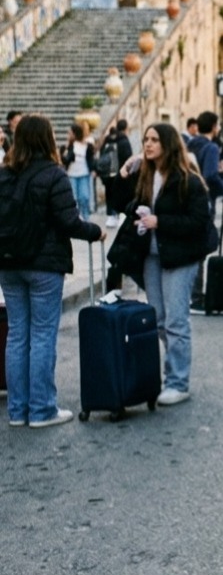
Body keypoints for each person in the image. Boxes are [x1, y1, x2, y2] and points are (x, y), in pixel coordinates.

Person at [0, 114, 105, 428]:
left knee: (17, 335)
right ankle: (42, 409)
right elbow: (68, 221)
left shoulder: (3, 175)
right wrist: (95, 232)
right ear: (47, 139)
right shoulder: (53, 174)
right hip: (44, 264)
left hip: (8, 263)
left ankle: (18, 411)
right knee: (43, 336)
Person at [126, 123, 213, 406]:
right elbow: (119, 202)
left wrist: (160, 222)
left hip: (181, 256)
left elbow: (199, 221)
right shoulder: (146, 175)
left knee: (176, 320)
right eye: (145, 139)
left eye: (154, 140)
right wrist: (124, 170)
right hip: (152, 255)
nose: (148, 145)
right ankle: (169, 374)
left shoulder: (188, 179)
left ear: (168, 144)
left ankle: (178, 382)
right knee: (159, 320)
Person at [187, 111, 223, 313]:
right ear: (214, 127)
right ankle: (196, 296)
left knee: (191, 249)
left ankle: (189, 293)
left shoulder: (190, 145)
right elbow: (210, 176)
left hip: (186, 200)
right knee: (201, 248)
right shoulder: (212, 147)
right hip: (204, 202)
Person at [99, 119, 134, 228]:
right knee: (121, 193)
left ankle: (111, 216)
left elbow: (101, 154)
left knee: (109, 193)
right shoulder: (124, 140)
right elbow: (128, 157)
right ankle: (120, 215)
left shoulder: (108, 140)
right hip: (120, 173)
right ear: (126, 128)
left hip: (108, 173)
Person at [64, 123, 95, 216]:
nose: (69, 135)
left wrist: (93, 169)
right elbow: (66, 159)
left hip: (84, 174)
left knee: (84, 197)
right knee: (73, 198)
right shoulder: (70, 146)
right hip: (71, 174)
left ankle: (86, 217)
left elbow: (91, 159)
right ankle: (76, 218)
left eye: (70, 133)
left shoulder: (87, 145)